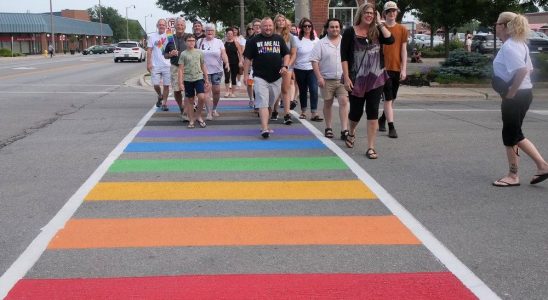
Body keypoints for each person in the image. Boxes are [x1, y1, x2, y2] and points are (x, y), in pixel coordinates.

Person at [491, 12, 548, 187]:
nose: (495, 26)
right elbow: (529, 70)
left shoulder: (510, 47)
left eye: (497, 23)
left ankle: (513, 176)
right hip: (523, 94)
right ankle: (542, 166)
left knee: (510, 136)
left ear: (504, 26)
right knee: (516, 134)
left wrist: (510, 93)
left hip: (516, 97)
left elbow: (523, 70)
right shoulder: (518, 44)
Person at [341, 3, 394, 159]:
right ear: (361, 14)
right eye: (367, 13)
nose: (369, 15)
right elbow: (343, 56)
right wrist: (346, 77)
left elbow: (390, 40)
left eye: (372, 13)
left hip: (376, 79)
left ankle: (371, 147)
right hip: (356, 79)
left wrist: (379, 23)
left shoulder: (376, 31)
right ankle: (351, 132)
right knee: (355, 113)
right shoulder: (350, 32)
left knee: (372, 112)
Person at [243, 17, 290, 139]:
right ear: (261, 27)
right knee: (262, 102)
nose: (268, 28)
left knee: (270, 103)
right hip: (260, 77)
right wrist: (245, 75)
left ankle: (266, 125)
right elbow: (247, 59)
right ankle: (264, 128)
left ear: (273, 26)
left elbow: (286, 54)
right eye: (265, 26)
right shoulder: (254, 41)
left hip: (276, 77)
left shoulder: (279, 39)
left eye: (270, 26)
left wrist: (285, 66)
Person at [310, 18, 349, 140]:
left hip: (343, 79)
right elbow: (314, 61)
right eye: (332, 27)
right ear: (327, 28)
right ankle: (328, 128)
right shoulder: (321, 43)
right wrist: (319, 77)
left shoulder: (346, 42)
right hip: (326, 80)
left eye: (337, 27)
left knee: (344, 102)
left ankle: (344, 130)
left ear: (340, 28)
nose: (335, 29)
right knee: (328, 103)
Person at [378, 1, 408, 139]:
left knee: (392, 98)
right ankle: (391, 127)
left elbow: (403, 50)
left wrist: (404, 69)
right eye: (389, 11)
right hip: (382, 68)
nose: (392, 13)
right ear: (385, 13)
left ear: (397, 12)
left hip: (396, 67)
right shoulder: (379, 28)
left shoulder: (402, 29)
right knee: (388, 98)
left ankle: (382, 119)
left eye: (394, 11)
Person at [198, 23, 230, 120]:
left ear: (214, 32)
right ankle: (208, 113)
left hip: (217, 70)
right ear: (205, 31)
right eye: (208, 30)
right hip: (204, 71)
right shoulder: (200, 41)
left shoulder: (219, 42)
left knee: (216, 91)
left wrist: (227, 62)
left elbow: (223, 53)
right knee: (207, 91)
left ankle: (214, 109)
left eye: (211, 30)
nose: (210, 32)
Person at [178, 35, 209, 129]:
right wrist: (180, 83)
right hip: (187, 79)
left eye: (193, 40)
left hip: (199, 78)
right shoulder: (183, 54)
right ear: (185, 42)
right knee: (190, 100)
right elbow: (180, 69)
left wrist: (206, 78)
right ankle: (191, 119)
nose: (191, 42)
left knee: (202, 97)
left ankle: (198, 115)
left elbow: (203, 65)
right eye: (189, 40)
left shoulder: (199, 52)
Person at [271, 14, 297, 125]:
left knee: (285, 90)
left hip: (287, 66)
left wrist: (287, 66)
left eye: (283, 20)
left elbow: (293, 54)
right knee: (275, 90)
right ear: (275, 22)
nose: (281, 22)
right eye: (278, 20)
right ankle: (275, 110)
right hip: (273, 66)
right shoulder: (271, 35)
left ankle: (287, 114)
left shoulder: (290, 37)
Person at [294, 18, 321, 121]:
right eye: (305, 26)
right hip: (299, 68)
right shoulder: (297, 40)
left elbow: (320, 56)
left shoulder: (316, 40)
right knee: (303, 90)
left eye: (309, 26)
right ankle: (303, 111)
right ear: (301, 28)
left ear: (312, 27)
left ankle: (314, 112)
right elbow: (294, 54)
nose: (307, 28)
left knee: (314, 90)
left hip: (312, 69)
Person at [164, 17, 189, 121]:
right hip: (175, 67)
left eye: (182, 25)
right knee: (177, 90)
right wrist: (170, 54)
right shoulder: (170, 38)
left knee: (188, 90)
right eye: (178, 25)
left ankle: (187, 111)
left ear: (185, 27)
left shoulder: (189, 37)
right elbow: (165, 55)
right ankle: (181, 108)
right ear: (175, 26)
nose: (180, 27)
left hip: (188, 68)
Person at [147, 18, 172, 111]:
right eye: (160, 24)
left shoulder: (169, 36)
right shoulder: (152, 37)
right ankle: (160, 95)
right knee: (156, 84)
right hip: (155, 65)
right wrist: (148, 63)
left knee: (166, 85)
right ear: (157, 26)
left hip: (167, 65)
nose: (161, 26)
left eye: (163, 25)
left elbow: (172, 47)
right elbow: (149, 51)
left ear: (165, 26)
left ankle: (164, 103)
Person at [223, 27, 243, 98]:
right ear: (226, 34)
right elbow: (222, 53)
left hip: (235, 62)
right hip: (226, 63)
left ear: (233, 34)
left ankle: (233, 92)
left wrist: (240, 61)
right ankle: (227, 91)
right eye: (228, 34)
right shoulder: (224, 43)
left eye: (231, 34)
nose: (230, 35)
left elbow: (240, 53)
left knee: (233, 77)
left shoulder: (236, 43)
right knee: (227, 77)